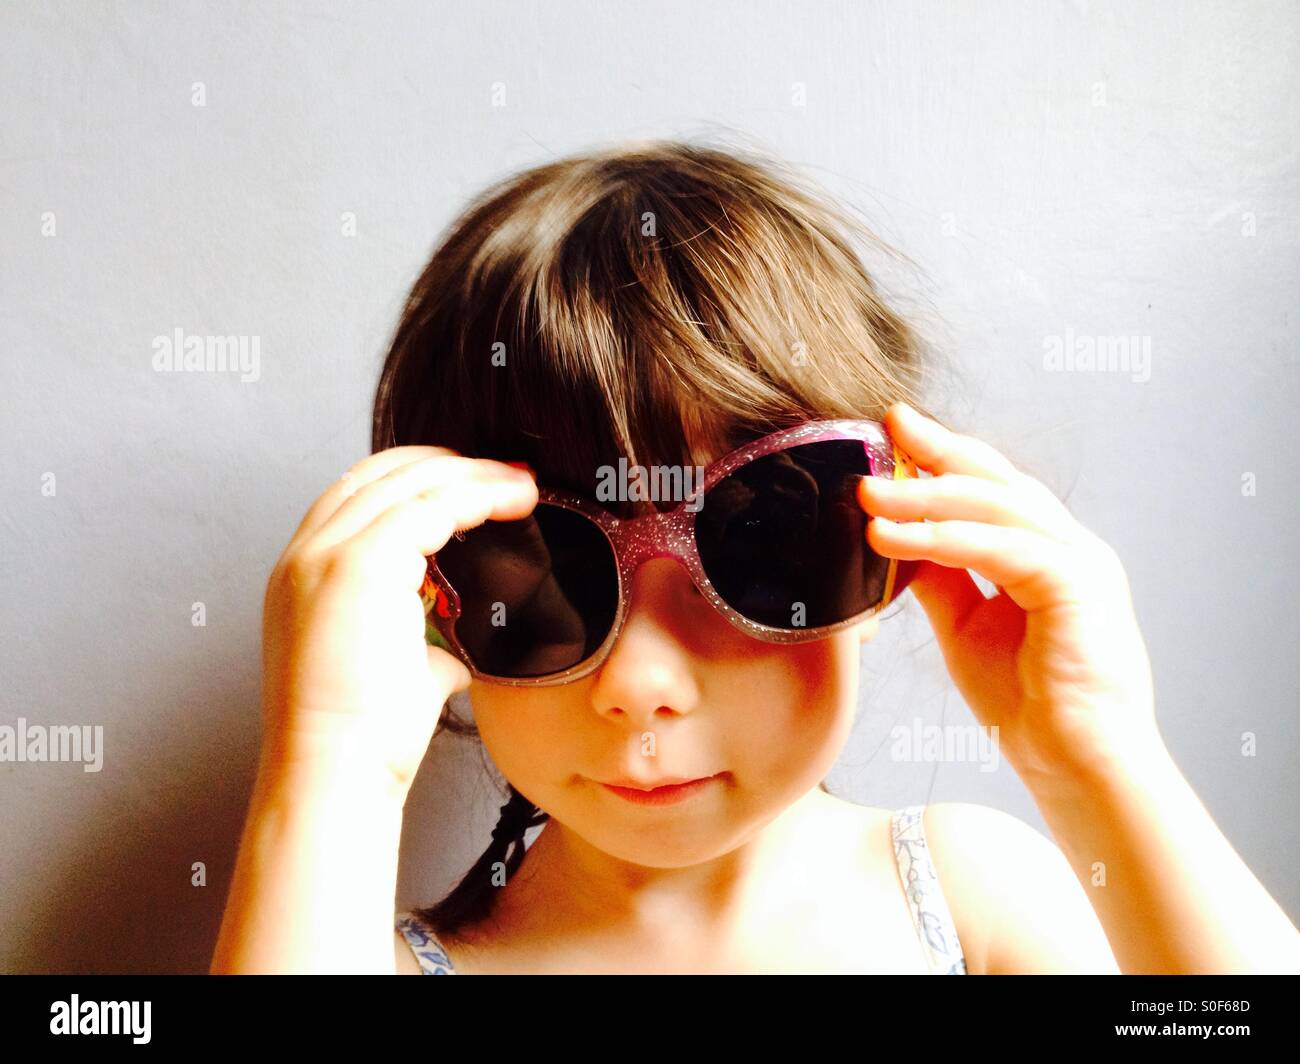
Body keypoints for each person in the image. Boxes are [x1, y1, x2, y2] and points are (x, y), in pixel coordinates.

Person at [210, 139, 1300, 975]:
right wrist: (330, 762)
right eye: (539, 568)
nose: (641, 688)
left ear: (891, 545)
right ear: (436, 601)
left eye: (761, 540)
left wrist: (1100, 757)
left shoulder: (972, 894)